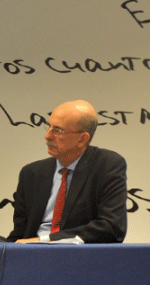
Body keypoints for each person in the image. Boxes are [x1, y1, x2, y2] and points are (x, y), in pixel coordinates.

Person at [7, 99, 127, 243]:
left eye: (58, 130)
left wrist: (44, 240)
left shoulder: (106, 165)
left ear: (82, 139)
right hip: (31, 253)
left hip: (78, 253)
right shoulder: (31, 173)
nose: (47, 136)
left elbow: (111, 227)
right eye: (49, 127)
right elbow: (19, 234)